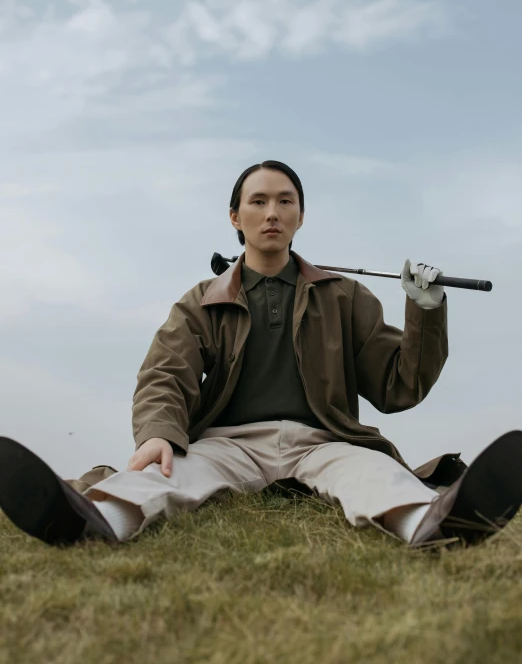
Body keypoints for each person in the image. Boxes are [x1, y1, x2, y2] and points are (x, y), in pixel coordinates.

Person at [1, 160, 521, 549]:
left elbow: (396, 385)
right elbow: (166, 371)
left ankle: (432, 526)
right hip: (229, 443)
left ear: (300, 216)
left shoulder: (345, 296)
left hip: (324, 440)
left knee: (373, 473)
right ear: (235, 216)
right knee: (168, 473)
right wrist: (159, 432)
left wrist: (425, 310)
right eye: (258, 201)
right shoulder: (201, 300)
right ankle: (92, 522)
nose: (272, 212)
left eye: (285, 201)